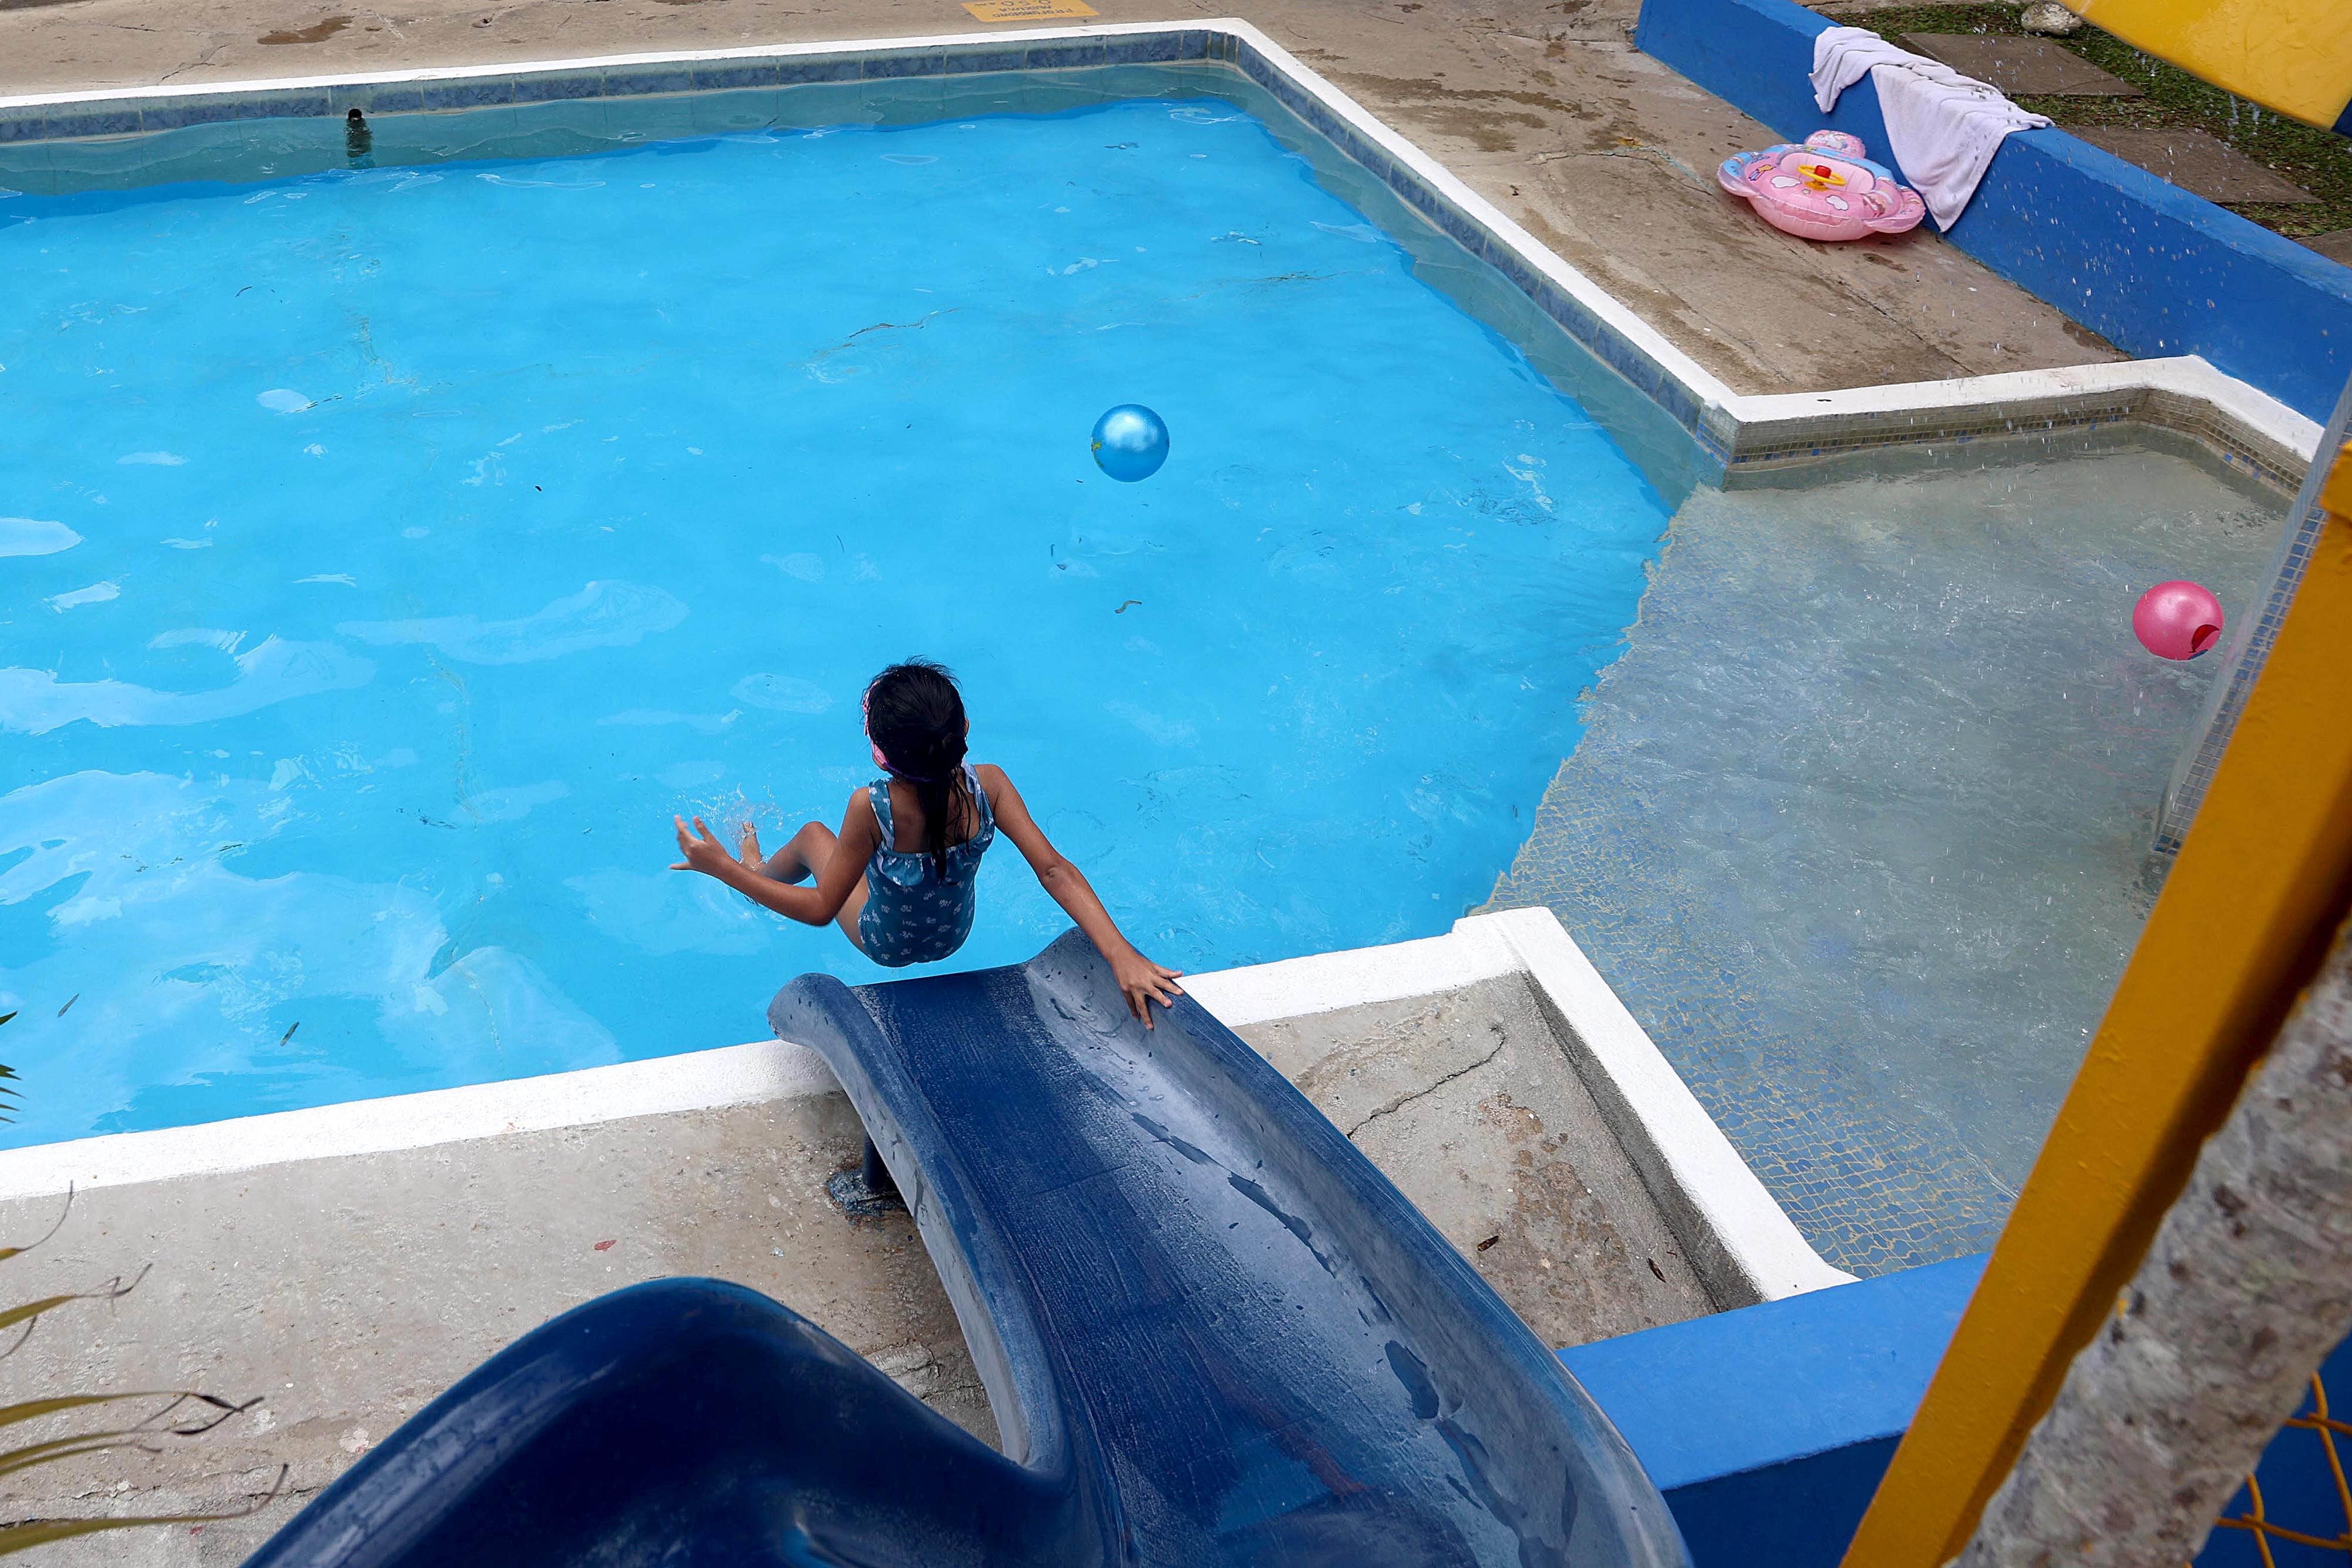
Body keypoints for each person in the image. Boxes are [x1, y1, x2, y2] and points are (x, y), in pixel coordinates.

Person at [670, 658, 1187, 1028]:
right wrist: (1120, 952)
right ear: (964, 727)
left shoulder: (871, 808)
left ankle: (753, 869)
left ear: (880, 757)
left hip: (885, 944)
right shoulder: (993, 787)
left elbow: (822, 910)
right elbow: (1054, 870)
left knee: (810, 837)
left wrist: (722, 869)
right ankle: (750, 868)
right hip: (953, 935)